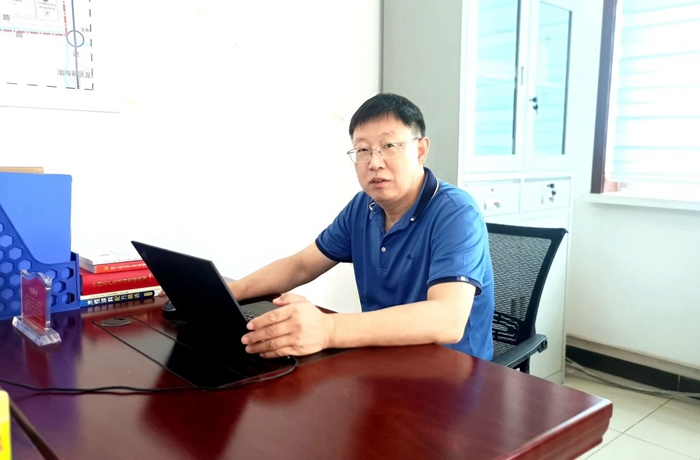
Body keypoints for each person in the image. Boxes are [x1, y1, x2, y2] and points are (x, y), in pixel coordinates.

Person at [230, 93, 494, 360]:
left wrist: (328, 329)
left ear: (420, 150)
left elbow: (447, 319)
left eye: (389, 146)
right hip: (382, 356)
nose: (375, 163)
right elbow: (302, 265)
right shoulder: (363, 206)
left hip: (452, 370)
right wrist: (229, 292)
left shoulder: (456, 213)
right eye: (363, 150)